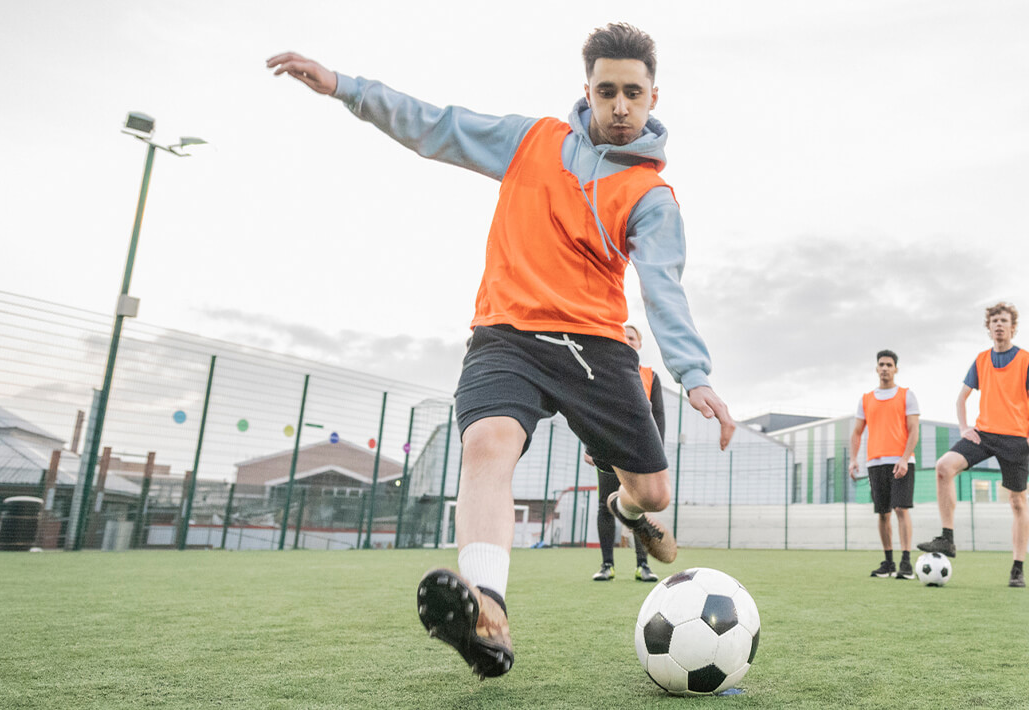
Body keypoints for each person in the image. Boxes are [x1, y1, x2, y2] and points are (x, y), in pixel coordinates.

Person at [267, 23, 735, 679]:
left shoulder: (650, 196)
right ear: (587, 92)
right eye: (607, 92)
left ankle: (624, 509)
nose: (620, 107)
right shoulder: (532, 141)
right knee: (486, 442)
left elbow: (663, 287)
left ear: (654, 96)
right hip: (505, 335)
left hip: (593, 347)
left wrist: (694, 374)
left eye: (633, 92)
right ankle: (488, 611)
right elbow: (435, 125)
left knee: (654, 495)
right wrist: (346, 88)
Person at [918, 303, 1029, 588]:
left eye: (1004, 321)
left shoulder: (1026, 359)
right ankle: (947, 538)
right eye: (994, 321)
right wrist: (964, 427)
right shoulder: (980, 360)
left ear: (1013, 327)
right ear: (989, 328)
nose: (999, 325)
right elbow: (961, 398)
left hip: (1015, 438)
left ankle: (1017, 568)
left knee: (1017, 502)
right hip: (983, 434)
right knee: (944, 467)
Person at [591, 325, 664, 583]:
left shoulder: (650, 376)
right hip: (608, 451)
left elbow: (658, 419)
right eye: (622, 336)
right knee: (605, 505)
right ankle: (606, 565)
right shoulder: (600, 372)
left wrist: (656, 457)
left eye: (631, 337)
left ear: (639, 343)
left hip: (638, 455)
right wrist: (591, 446)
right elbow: (591, 413)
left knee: (638, 506)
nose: (626, 340)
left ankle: (642, 566)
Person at [847, 350, 922, 580]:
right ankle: (888, 563)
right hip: (875, 463)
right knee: (883, 513)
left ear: (896, 369)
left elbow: (914, 431)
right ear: (876, 368)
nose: (885, 368)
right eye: (881, 364)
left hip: (901, 462)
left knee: (901, 509)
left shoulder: (907, 395)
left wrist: (904, 458)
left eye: (889, 364)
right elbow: (857, 432)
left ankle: (906, 563)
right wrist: (853, 459)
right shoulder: (866, 399)